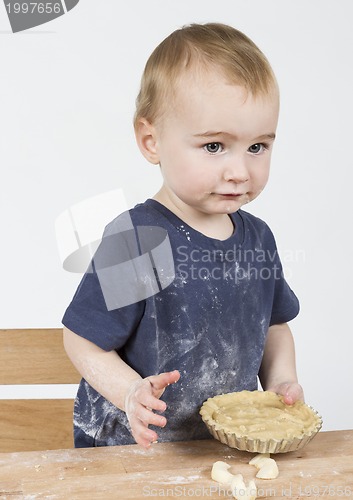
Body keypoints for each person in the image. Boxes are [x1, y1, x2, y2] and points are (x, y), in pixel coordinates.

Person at [62, 22, 304, 450]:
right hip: (132, 448)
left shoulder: (258, 239)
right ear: (151, 141)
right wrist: (129, 393)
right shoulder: (139, 239)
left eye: (258, 146)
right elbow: (82, 340)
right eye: (214, 146)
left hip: (218, 446)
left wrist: (283, 378)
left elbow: (274, 326)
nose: (239, 171)